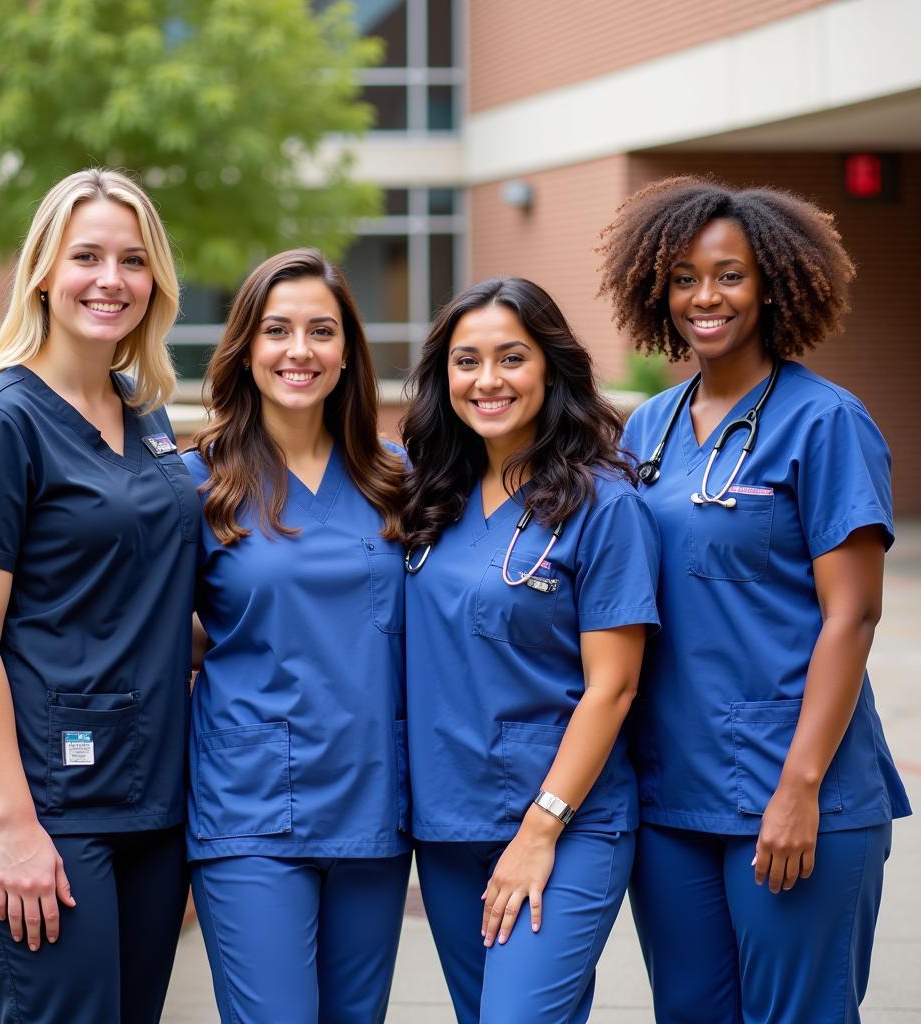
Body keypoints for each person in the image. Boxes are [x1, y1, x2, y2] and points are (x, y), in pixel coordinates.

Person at [598, 176, 911, 1024]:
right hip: (671, 798)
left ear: (773, 282)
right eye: (685, 278)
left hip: (796, 788)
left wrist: (799, 786)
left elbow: (854, 615)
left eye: (730, 274)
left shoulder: (826, 422)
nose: (707, 297)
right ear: (656, 289)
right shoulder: (648, 429)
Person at [0, 169, 197, 1023]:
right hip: (38, 802)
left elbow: (147, 593)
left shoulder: (144, 414)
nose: (110, 280)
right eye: (86, 256)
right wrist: (14, 826)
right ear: (43, 270)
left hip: (147, 791)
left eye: (132, 260)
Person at [400, 277, 660, 1024]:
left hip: (567, 820)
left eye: (511, 358)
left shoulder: (604, 505)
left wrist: (541, 829)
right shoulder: (426, 493)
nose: (487, 381)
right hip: (448, 820)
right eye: (465, 360)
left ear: (549, 368)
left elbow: (613, 687)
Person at [183, 248, 411, 1023]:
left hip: (373, 807)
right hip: (249, 811)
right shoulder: (199, 483)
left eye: (321, 330)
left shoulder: (397, 478)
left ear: (348, 351)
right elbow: (154, 635)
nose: (299, 351)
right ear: (246, 348)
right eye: (277, 330)